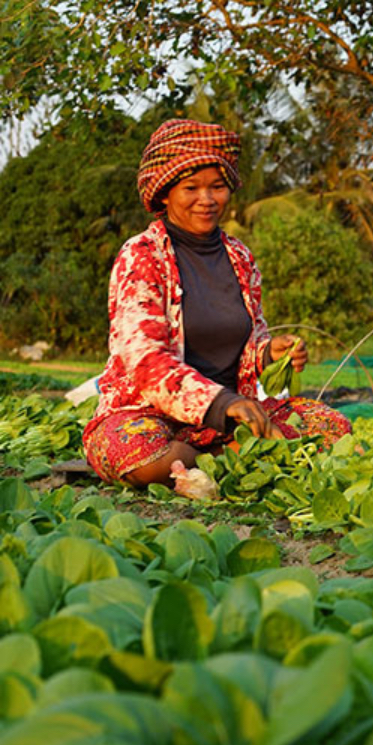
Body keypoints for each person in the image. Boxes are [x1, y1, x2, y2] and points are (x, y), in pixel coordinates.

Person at [83, 119, 352, 487]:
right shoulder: (142, 255)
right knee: (138, 456)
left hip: (230, 419)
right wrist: (221, 404)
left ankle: (218, 459)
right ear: (164, 192)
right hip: (152, 416)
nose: (207, 200)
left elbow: (248, 342)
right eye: (191, 187)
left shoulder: (239, 256)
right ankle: (236, 458)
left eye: (218, 187)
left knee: (332, 426)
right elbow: (145, 362)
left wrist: (270, 353)